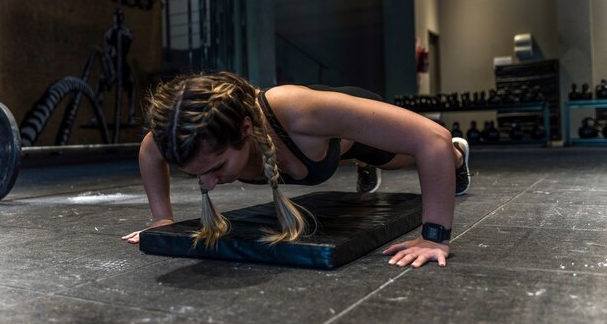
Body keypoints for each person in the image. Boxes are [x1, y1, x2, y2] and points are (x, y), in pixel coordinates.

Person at [122, 71, 471, 268]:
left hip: (346, 129)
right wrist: (161, 221)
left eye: (215, 168)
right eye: (196, 174)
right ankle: (356, 162)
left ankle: (459, 155)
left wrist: (433, 238)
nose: (208, 184)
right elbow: (150, 150)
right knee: (329, 160)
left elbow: (431, 139)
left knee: (412, 156)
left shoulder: (299, 111)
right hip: (313, 150)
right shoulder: (185, 133)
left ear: (245, 129)